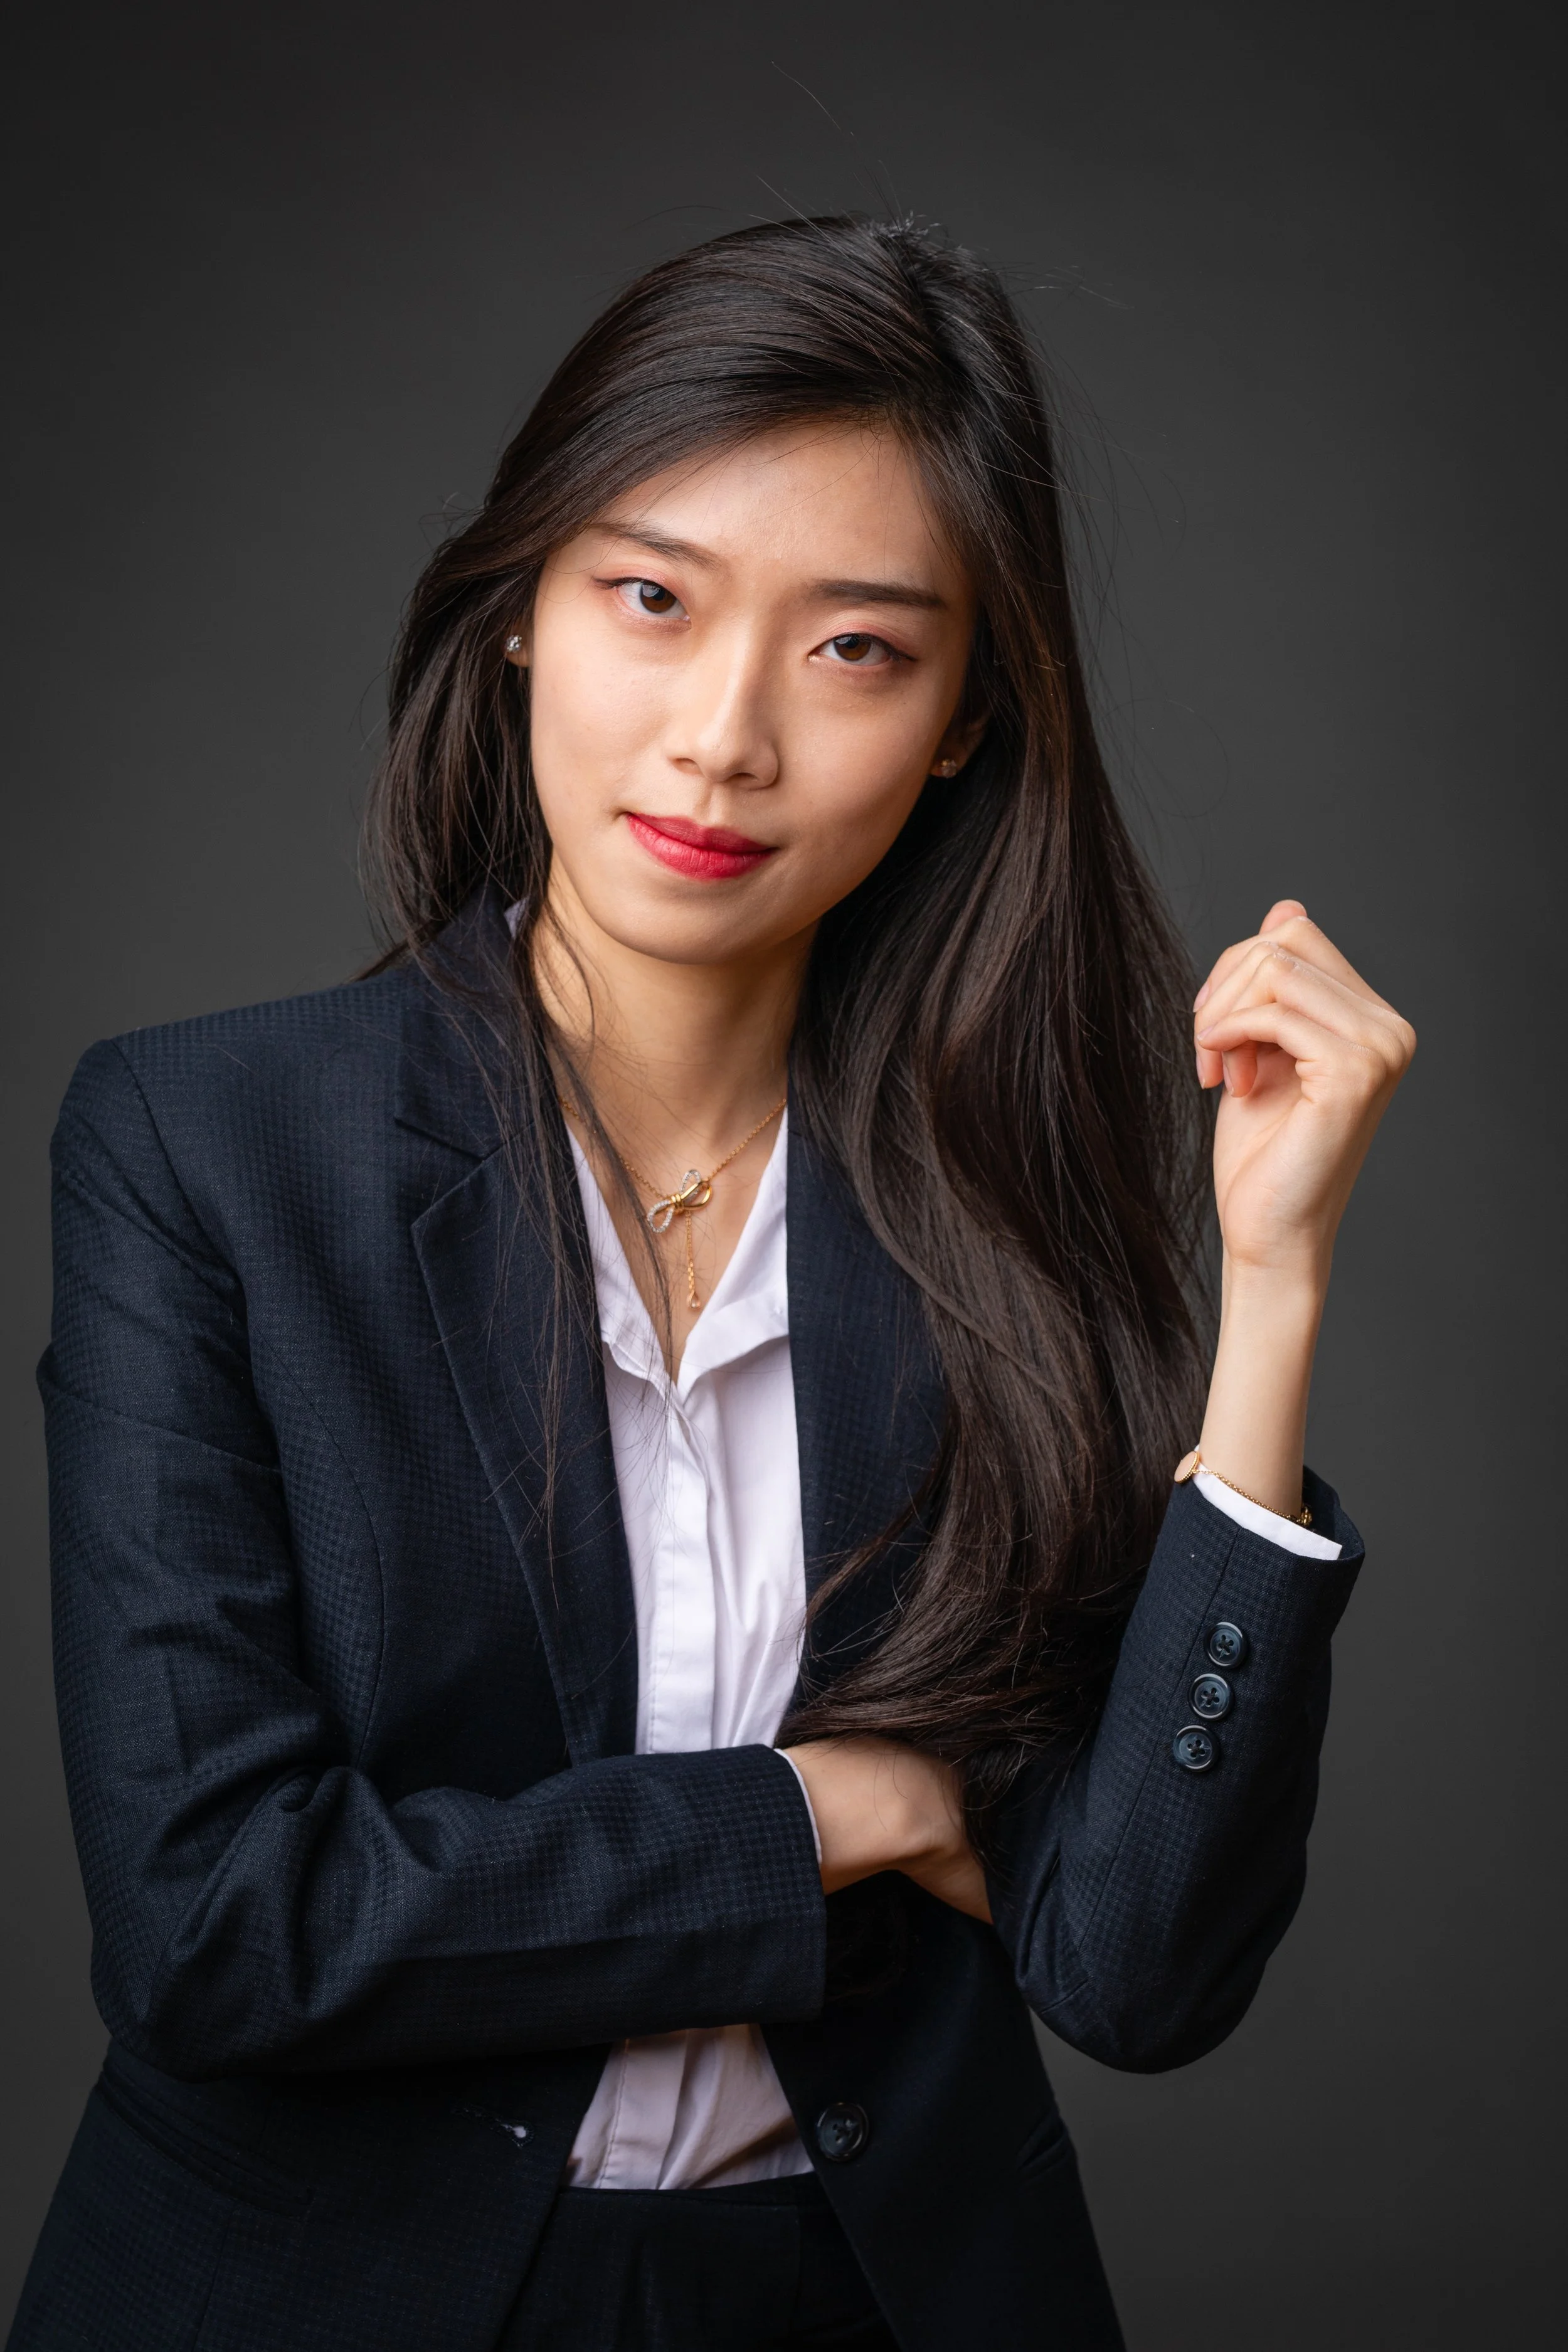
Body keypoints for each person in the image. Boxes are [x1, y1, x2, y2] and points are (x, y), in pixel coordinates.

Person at [9, 215, 1414, 2352]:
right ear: (519, 609)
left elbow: (1135, 1964)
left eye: (853, 648)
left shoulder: (1007, 1204)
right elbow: (224, 1927)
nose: (721, 737)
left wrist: (1274, 1280)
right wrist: (819, 1813)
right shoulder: (205, 1148)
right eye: (650, 599)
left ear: (962, 720)